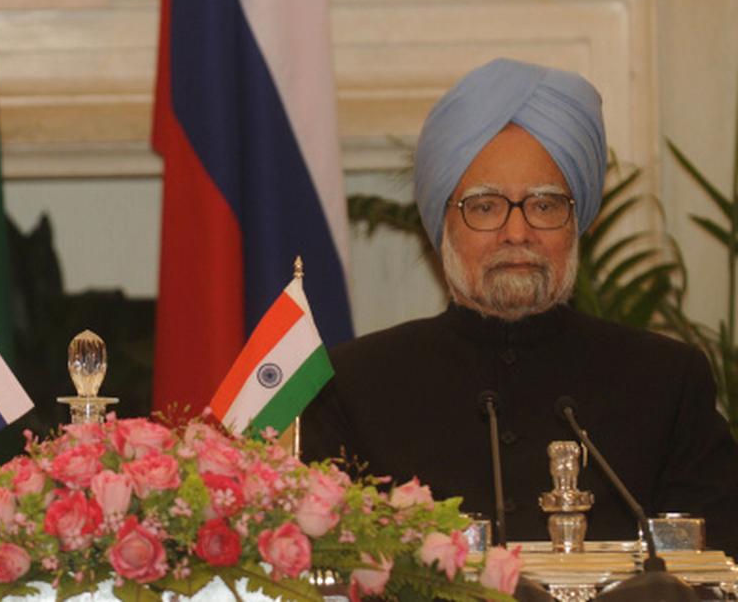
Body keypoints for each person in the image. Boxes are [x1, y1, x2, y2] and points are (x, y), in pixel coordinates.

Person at [301, 58, 738, 556]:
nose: (517, 232)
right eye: (485, 206)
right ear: (444, 225)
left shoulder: (667, 382)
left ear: (576, 223)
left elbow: (720, 562)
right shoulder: (353, 386)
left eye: (544, 205)